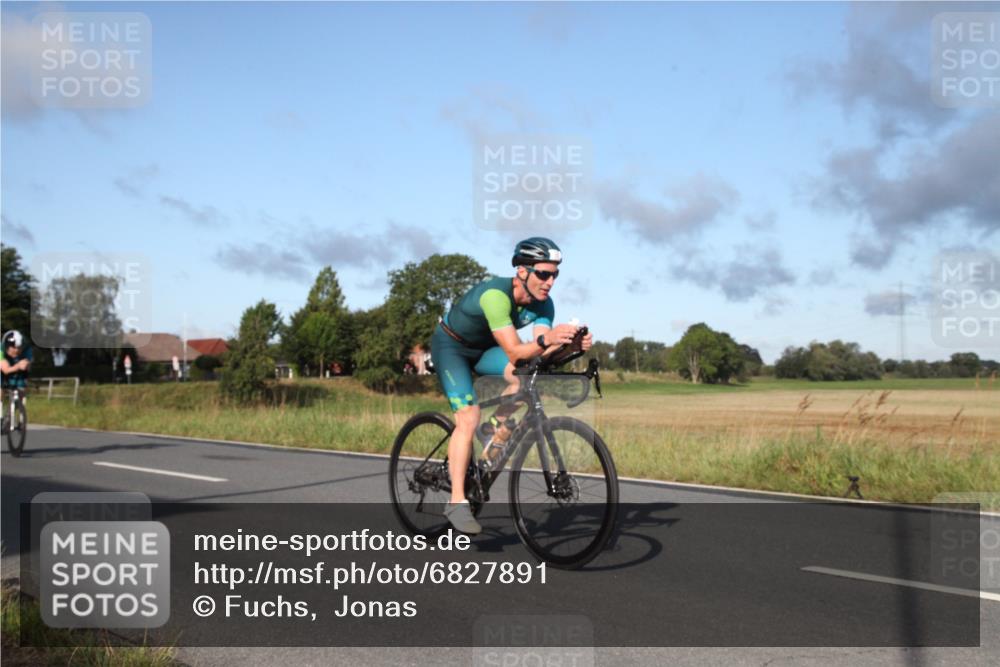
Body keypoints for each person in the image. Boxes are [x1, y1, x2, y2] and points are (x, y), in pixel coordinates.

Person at [431, 238, 592, 534]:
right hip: (451, 347)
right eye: (543, 274)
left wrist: (570, 348)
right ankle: (456, 502)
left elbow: (540, 356)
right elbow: (518, 351)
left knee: (525, 378)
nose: (550, 282)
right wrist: (549, 338)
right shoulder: (496, 296)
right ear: (522, 271)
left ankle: (492, 434)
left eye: (555, 274)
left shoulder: (545, 304)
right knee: (468, 418)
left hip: (485, 349)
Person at [1, 330, 33, 432]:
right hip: (4, 363)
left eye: (18, 348)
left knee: (21, 389)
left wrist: (25, 367)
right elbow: (5, 370)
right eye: (13, 348)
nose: (16, 351)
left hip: (21, 360)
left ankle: (20, 419)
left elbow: (27, 367)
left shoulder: (26, 349)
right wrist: (16, 366)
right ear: (7, 347)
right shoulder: (1, 350)